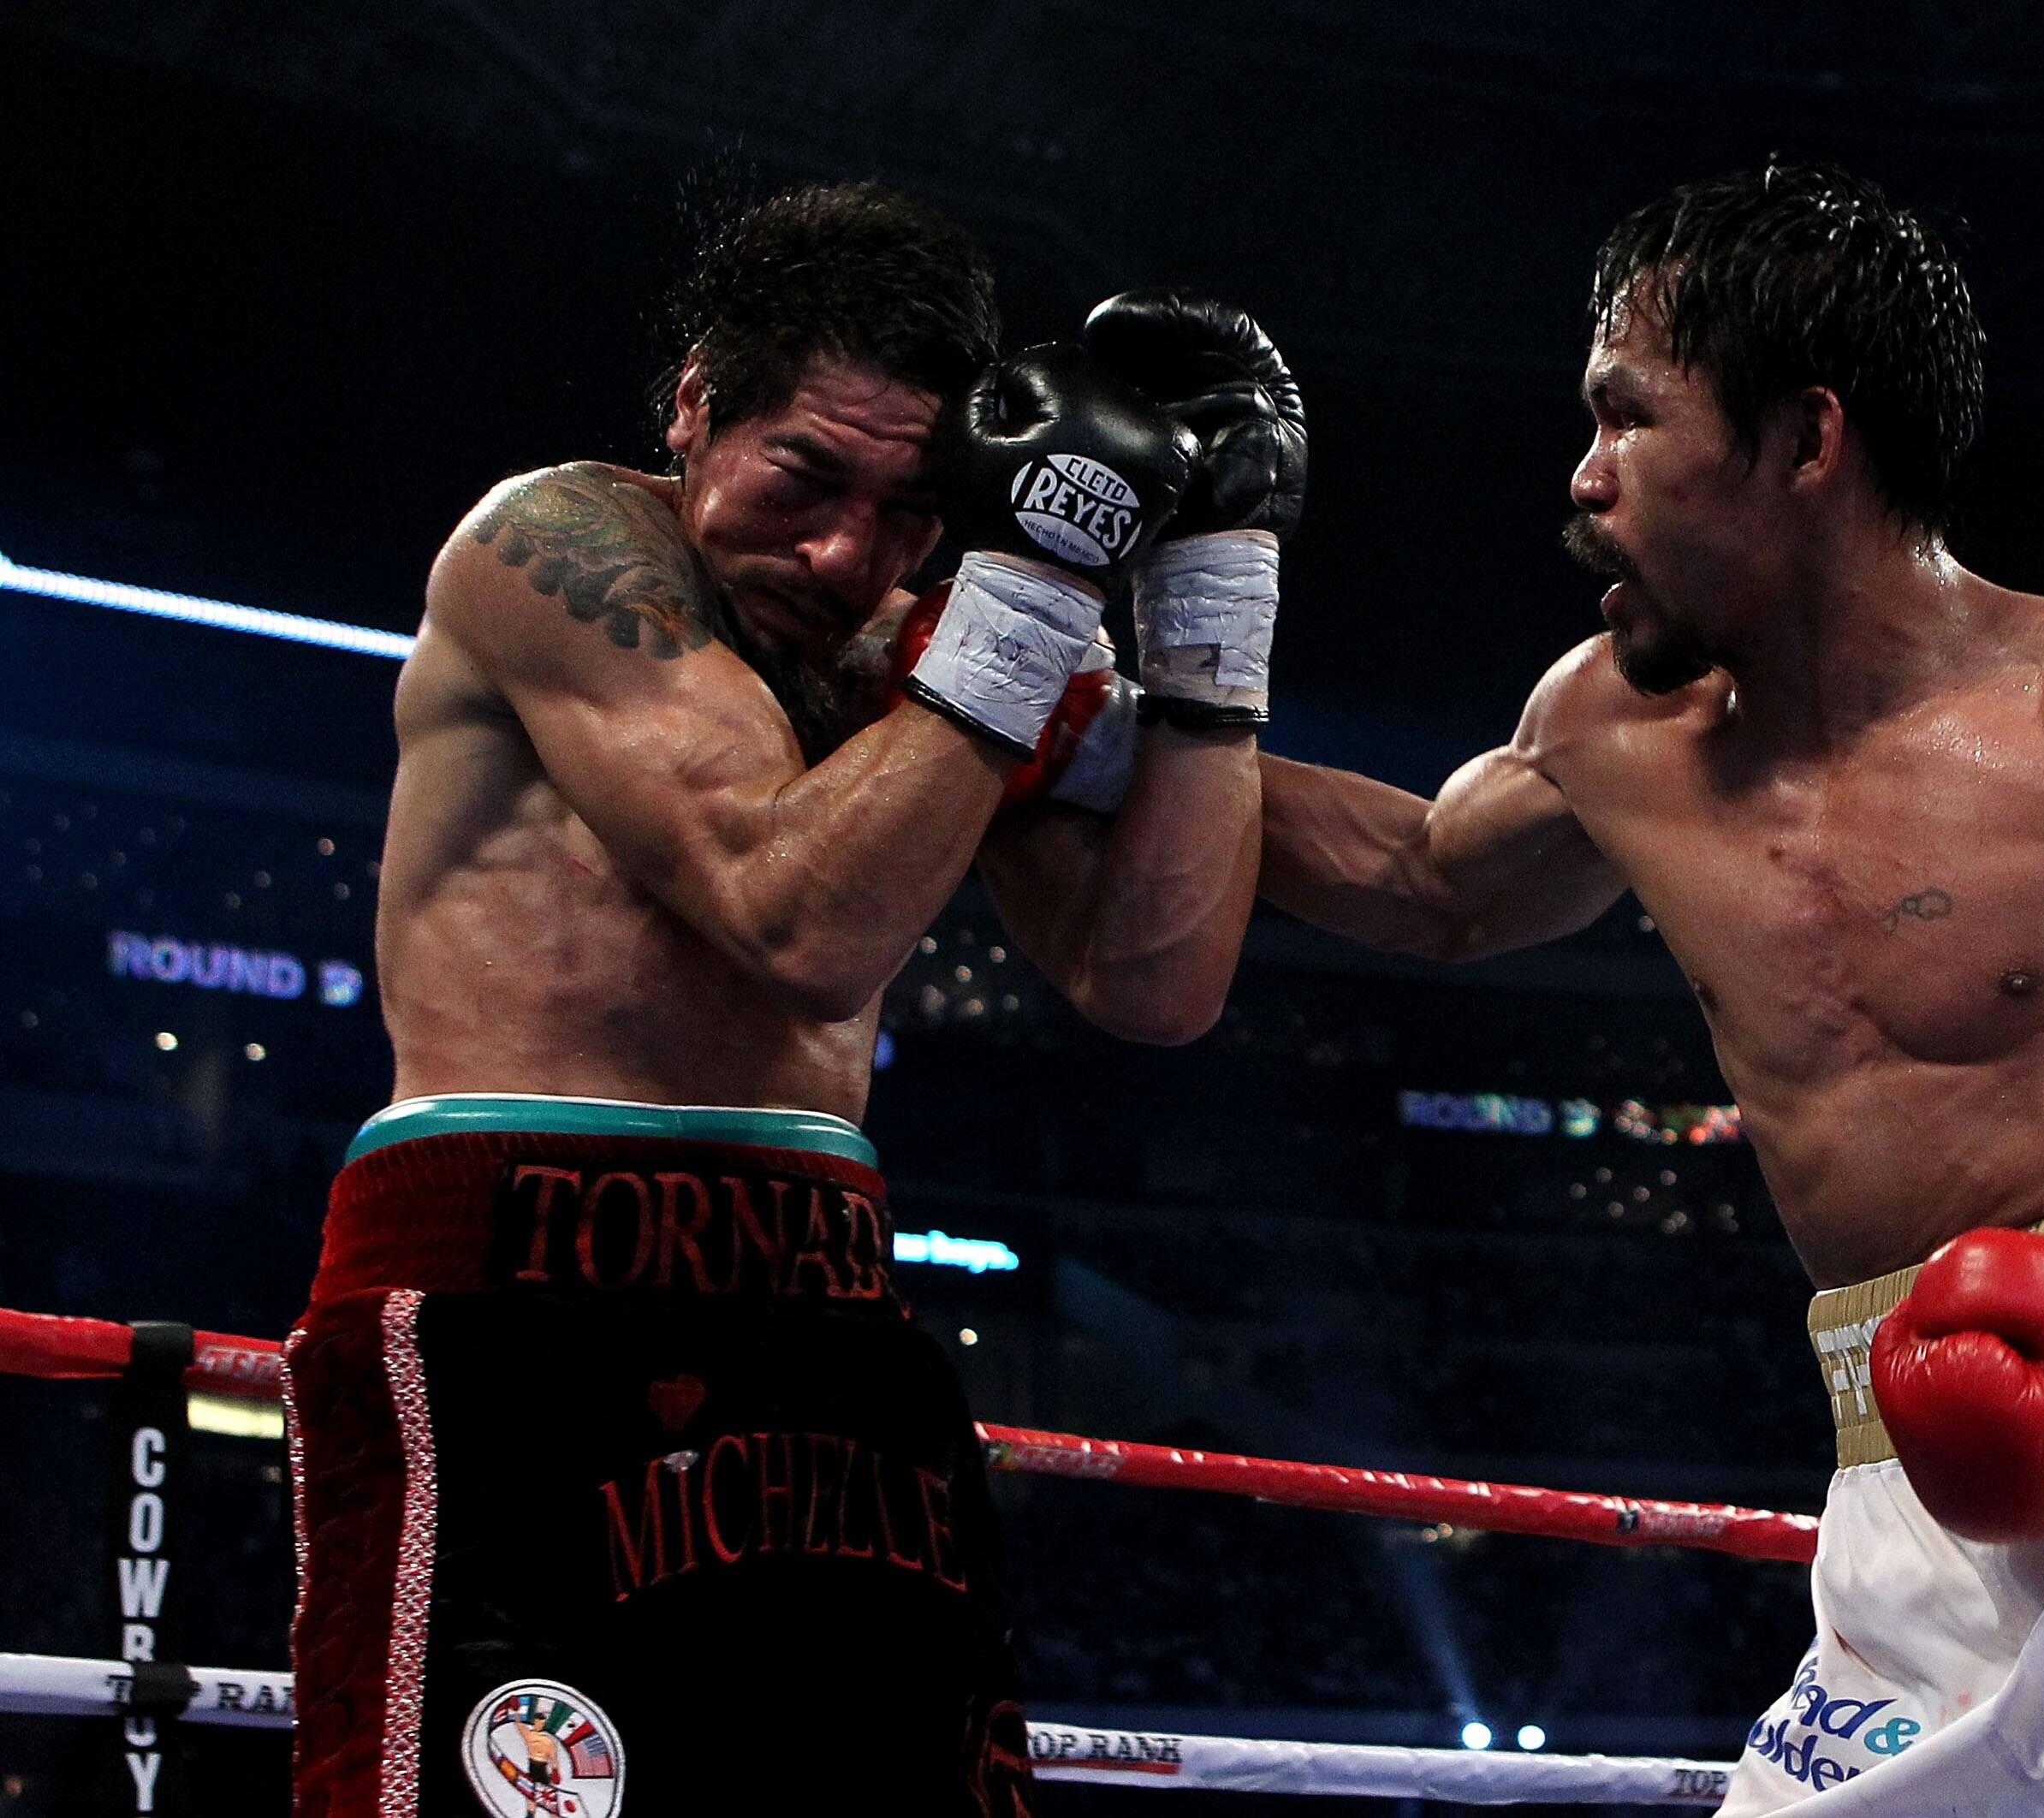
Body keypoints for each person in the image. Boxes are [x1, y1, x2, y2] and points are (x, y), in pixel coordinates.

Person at [1257, 163, 2044, 1816]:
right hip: (1905, 1491)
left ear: (1804, 440)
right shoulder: (1611, 730)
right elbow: (1425, 879)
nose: (1584, 476)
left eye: (1629, 417)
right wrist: (1088, 717)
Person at [282, 182, 1302, 1818]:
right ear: (695, 405)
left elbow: (1157, 977)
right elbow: (795, 917)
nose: (845, 555)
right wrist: (1030, 586)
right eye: (804, 477)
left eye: (913, 511)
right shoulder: (553, 545)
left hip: (826, 1316)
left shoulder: (930, 656)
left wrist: (1214, 595)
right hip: (513, 1307)